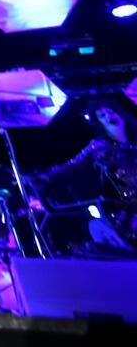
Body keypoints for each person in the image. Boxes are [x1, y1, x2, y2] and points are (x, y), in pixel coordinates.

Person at [38, 102, 137, 250]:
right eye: (102, 115)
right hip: (125, 206)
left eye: (111, 111)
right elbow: (71, 166)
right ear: (100, 124)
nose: (109, 115)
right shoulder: (99, 146)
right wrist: (43, 176)